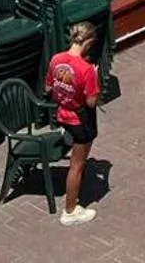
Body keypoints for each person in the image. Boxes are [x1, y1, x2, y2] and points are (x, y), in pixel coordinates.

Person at [44, 22, 101, 226]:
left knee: (75, 164)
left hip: (63, 113)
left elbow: (48, 86)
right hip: (80, 119)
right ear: (88, 42)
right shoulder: (86, 69)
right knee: (76, 166)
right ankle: (70, 209)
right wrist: (97, 79)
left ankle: (71, 197)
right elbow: (91, 101)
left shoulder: (56, 59)